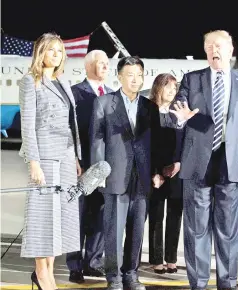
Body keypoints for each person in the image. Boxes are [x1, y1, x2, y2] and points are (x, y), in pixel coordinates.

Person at [169, 30, 238, 290]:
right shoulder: (192, 79)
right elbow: (177, 110)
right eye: (209, 46)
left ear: (231, 49)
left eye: (219, 45)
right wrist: (182, 116)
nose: (214, 50)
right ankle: (198, 283)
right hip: (198, 162)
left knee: (228, 229)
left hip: (230, 163)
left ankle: (227, 282)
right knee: (196, 229)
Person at [90, 56, 162, 290]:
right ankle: (114, 277)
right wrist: (99, 172)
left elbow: (156, 144)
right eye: (130, 75)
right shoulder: (104, 103)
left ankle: (131, 274)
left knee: (137, 230)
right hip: (114, 175)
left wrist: (157, 171)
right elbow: (96, 140)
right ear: (119, 76)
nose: (135, 79)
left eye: (139, 75)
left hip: (142, 177)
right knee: (114, 230)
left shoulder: (150, 107)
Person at [18, 32, 82, 290]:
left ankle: (49, 274)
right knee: (42, 219)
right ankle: (41, 273)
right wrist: (34, 162)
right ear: (40, 52)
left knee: (61, 220)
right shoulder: (29, 82)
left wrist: (76, 157)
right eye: (51, 50)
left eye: (60, 51)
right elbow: (28, 126)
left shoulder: (61, 82)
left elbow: (71, 123)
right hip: (44, 158)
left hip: (66, 159)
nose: (56, 55)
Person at [66, 49, 113, 283]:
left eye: (107, 63)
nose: (105, 66)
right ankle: (74, 265)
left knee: (101, 217)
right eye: (100, 63)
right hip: (82, 167)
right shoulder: (75, 94)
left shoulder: (114, 95)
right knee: (79, 217)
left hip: (106, 169)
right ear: (88, 66)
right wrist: (75, 160)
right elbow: (70, 131)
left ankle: (93, 262)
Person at [148, 73, 183, 274]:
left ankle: (171, 258)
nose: (172, 91)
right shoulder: (148, 111)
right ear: (158, 87)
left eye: (174, 87)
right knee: (157, 216)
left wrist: (178, 164)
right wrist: (155, 172)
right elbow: (147, 145)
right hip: (157, 174)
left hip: (176, 172)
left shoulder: (176, 112)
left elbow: (184, 141)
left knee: (175, 215)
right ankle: (156, 258)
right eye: (168, 87)